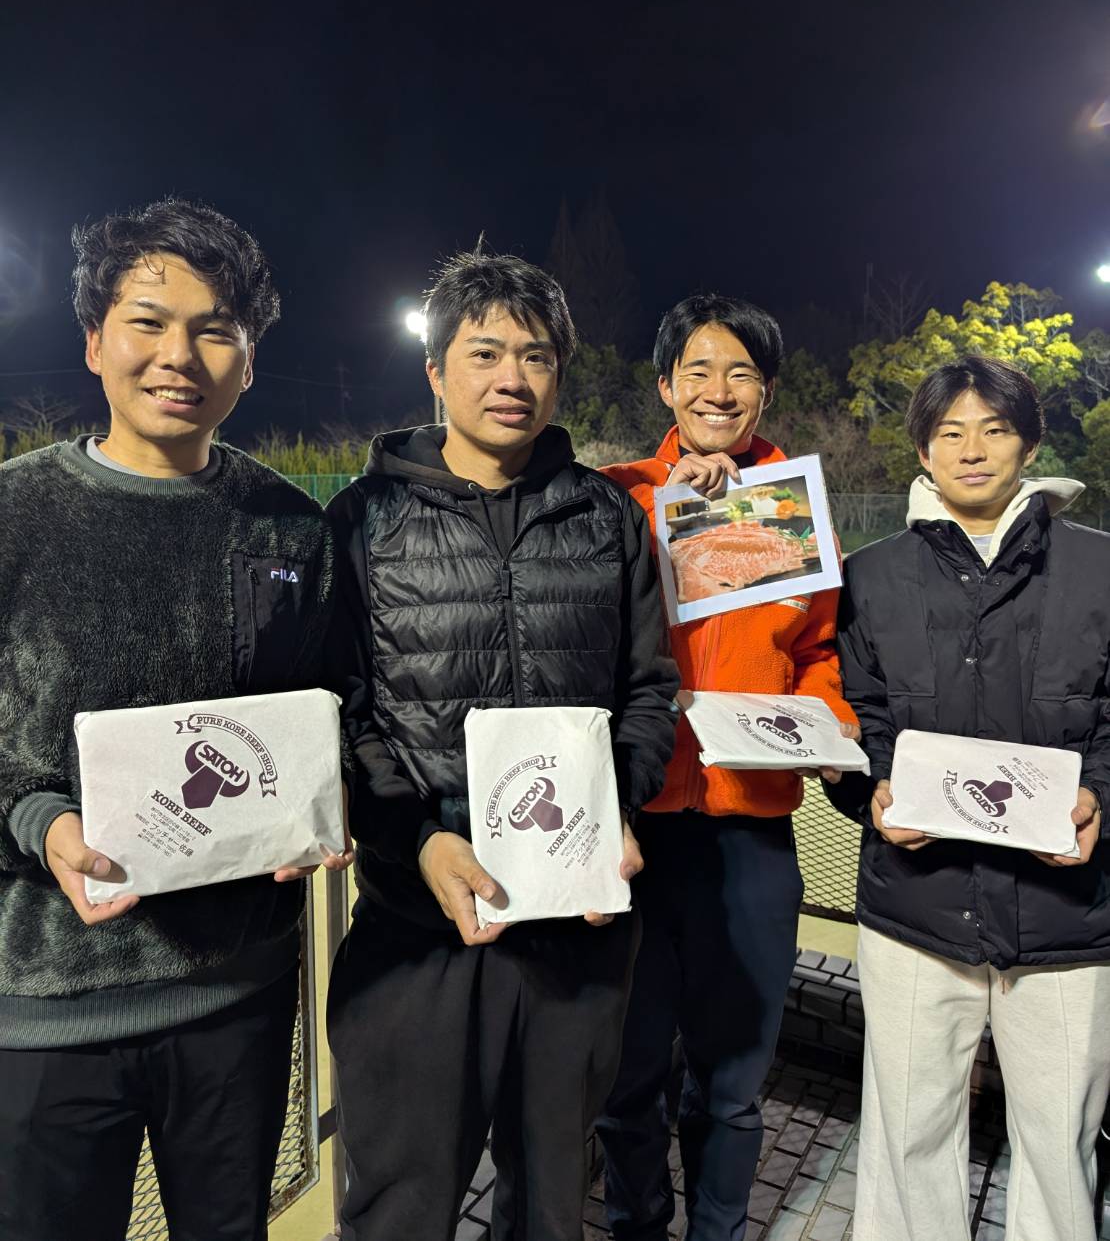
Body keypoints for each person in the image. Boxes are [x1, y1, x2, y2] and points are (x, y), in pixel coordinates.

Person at [0, 198, 350, 1241]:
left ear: (249, 359)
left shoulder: (290, 528)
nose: (179, 356)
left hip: (237, 1000)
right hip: (47, 1007)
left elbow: (328, 709)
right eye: (148, 322)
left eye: (215, 329)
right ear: (94, 339)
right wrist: (41, 824)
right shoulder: (15, 515)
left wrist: (316, 805)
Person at [324, 246, 679, 1241]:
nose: (511, 378)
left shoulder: (606, 516)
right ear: (435, 370)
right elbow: (343, 709)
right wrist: (416, 841)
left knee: (552, 1205)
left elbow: (650, 690)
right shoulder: (363, 519)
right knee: (400, 1206)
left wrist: (617, 809)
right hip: (416, 933)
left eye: (536, 356)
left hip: (575, 935)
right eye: (484, 353)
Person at [595, 292, 858, 1241]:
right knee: (628, 1074)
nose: (719, 389)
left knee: (735, 1081)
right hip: (637, 830)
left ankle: (719, 1230)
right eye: (697, 370)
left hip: (752, 830)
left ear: (766, 391)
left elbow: (820, 651)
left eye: (740, 372)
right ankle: (636, 1226)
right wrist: (675, 509)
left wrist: (827, 722)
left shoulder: (794, 510)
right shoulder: (619, 497)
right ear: (665, 387)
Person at [831, 355, 1110, 1241]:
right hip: (916, 906)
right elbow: (860, 713)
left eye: (994, 429)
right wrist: (873, 792)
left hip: (1067, 913)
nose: (972, 450)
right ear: (923, 449)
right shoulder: (871, 575)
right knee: (908, 1139)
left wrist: (1101, 797)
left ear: (1028, 443)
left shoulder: (1100, 567)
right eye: (950, 432)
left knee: (1059, 1147)